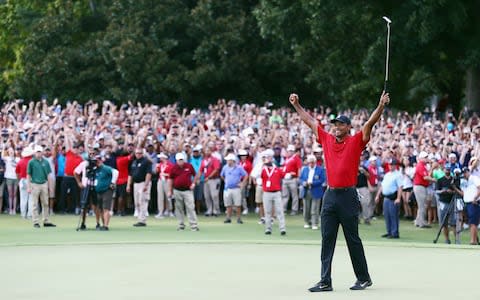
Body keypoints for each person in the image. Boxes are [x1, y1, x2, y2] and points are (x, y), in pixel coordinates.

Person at [290, 91, 390, 292]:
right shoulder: (326, 139)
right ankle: (325, 281)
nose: (336, 127)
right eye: (334, 124)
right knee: (327, 238)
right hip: (331, 195)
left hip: (347, 196)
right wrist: (296, 105)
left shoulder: (355, 142)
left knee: (352, 238)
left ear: (348, 127)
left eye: (341, 124)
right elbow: (309, 121)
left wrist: (381, 106)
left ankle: (363, 278)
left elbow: (370, 123)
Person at [168, 153, 199, 231]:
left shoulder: (189, 166)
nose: (180, 162)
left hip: (187, 190)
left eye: (182, 160)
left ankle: (194, 225)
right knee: (179, 208)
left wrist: (193, 183)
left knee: (190, 207)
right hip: (177, 190)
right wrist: (169, 190)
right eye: (179, 160)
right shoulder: (174, 168)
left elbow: (195, 175)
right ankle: (181, 225)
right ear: (176, 160)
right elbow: (170, 179)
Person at [27, 146, 56, 228]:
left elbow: (49, 175)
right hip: (34, 184)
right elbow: (28, 175)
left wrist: (50, 187)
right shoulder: (31, 162)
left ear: (42, 152)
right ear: (35, 153)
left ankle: (46, 220)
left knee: (45, 203)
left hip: (44, 183)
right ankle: (35, 222)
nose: (38, 153)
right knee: (35, 204)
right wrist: (28, 186)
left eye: (40, 152)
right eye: (37, 152)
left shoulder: (46, 162)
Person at [375, 159, 403, 239]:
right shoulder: (387, 174)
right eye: (390, 164)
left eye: (392, 165)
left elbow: (400, 187)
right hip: (386, 197)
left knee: (393, 215)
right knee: (387, 215)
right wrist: (378, 195)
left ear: (395, 165)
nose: (390, 166)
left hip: (393, 197)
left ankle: (394, 233)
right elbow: (382, 186)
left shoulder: (398, 175)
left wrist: (398, 198)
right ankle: (389, 232)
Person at [261, 149, 286, 235]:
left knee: (279, 211)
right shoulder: (263, 169)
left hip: (276, 192)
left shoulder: (277, 169)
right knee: (267, 211)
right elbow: (255, 174)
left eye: (270, 157)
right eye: (267, 157)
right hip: (267, 192)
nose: (269, 159)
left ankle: (282, 228)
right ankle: (268, 228)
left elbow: (284, 174)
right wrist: (262, 163)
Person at [299, 155, 326, 230]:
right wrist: (304, 183)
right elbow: (300, 179)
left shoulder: (320, 169)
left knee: (315, 208)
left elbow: (322, 180)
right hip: (306, 190)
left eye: (312, 162)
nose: (311, 164)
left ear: (315, 162)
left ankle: (315, 223)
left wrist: (312, 183)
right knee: (306, 208)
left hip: (316, 190)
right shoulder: (304, 169)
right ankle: (307, 222)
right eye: (310, 162)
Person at [127, 148, 152, 227]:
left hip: (143, 182)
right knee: (137, 202)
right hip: (136, 184)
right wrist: (128, 184)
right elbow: (130, 174)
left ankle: (142, 220)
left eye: (140, 153)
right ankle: (139, 218)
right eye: (137, 153)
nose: (138, 155)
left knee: (143, 201)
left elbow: (149, 173)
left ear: (142, 154)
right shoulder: (134, 162)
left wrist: (146, 185)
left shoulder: (146, 162)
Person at [221, 153, 248, 224]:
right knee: (228, 204)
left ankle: (239, 218)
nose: (227, 161)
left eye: (228, 160)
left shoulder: (239, 167)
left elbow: (245, 175)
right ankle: (228, 218)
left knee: (238, 204)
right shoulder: (225, 167)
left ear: (232, 161)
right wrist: (225, 181)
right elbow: (222, 175)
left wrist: (242, 183)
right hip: (227, 188)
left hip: (236, 188)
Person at [93, 155, 119, 231]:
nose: (97, 162)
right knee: (100, 208)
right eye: (96, 161)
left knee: (106, 208)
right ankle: (103, 224)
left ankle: (106, 225)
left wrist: (113, 182)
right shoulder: (96, 169)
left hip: (106, 190)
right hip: (99, 191)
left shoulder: (105, 168)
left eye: (98, 160)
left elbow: (115, 172)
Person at [194, 147, 221, 217]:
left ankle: (216, 210)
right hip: (206, 180)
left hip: (214, 179)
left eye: (208, 151)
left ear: (211, 151)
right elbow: (200, 170)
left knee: (214, 195)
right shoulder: (203, 160)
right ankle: (209, 210)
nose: (207, 152)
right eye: (205, 151)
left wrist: (209, 177)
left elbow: (216, 169)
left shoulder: (215, 159)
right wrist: (198, 178)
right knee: (207, 196)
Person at [413, 151, 436, 228]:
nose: (427, 159)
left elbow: (426, 175)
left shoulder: (423, 166)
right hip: (420, 186)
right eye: (425, 157)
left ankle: (418, 221)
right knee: (422, 205)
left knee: (421, 205)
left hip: (422, 186)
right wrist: (434, 180)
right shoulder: (420, 165)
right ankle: (421, 222)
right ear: (421, 158)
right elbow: (425, 177)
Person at [458, 167, 480, 245]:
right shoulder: (463, 181)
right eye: (463, 173)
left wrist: (475, 198)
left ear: (468, 172)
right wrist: (455, 188)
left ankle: (472, 240)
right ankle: (475, 240)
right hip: (467, 202)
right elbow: (463, 193)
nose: (464, 174)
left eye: (465, 172)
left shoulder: (474, 178)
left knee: (473, 222)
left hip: (474, 202)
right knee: (470, 222)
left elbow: (479, 188)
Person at [435, 168, 456, 244]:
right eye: (446, 170)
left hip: (453, 202)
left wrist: (453, 191)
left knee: (454, 222)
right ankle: (447, 239)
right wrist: (443, 191)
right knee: (444, 222)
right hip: (443, 202)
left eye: (448, 170)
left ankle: (457, 240)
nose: (447, 171)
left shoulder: (454, 179)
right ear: (444, 170)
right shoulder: (440, 180)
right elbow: (437, 190)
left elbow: (458, 190)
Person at [282, 144, 302, 215]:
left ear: (293, 151)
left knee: (294, 195)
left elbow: (299, 169)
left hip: (293, 179)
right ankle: (283, 209)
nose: (289, 152)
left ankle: (294, 209)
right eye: (288, 151)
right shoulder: (287, 158)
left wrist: (298, 178)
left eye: (291, 151)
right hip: (285, 179)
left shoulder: (296, 158)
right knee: (285, 195)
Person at [16, 147, 33, 218]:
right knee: (31, 199)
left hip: (22, 180)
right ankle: (30, 214)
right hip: (32, 180)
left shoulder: (20, 161)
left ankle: (23, 214)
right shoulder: (33, 161)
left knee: (23, 198)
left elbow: (17, 172)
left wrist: (19, 180)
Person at [155, 152, 173, 219]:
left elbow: (172, 175)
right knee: (160, 196)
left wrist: (166, 174)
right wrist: (156, 168)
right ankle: (161, 211)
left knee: (168, 196)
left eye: (161, 157)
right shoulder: (160, 164)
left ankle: (170, 210)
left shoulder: (170, 165)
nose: (160, 158)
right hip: (160, 180)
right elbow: (156, 172)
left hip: (167, 181)